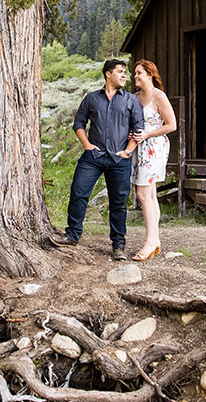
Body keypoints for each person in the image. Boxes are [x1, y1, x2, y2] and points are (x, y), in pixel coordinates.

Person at [49, 58, 144, 260]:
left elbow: (138, 129)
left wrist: (127, 151)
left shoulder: (131, 100)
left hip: (119, 160)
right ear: (108, 74)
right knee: (78, 192)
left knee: (118, 202)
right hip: (93, 157)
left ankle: (118, 246)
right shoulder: (91, 98)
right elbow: (79, 123)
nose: (124, 75)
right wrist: (86, 144)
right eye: (120, 71)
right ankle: (73, 234)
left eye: (125, 72)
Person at [131, 60, 177, 261]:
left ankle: (149, 242)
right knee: (149, 195)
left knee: (143, 194)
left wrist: (148, 134)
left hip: (153, 148)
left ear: (150, 74)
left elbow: (171, 125)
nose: (135, 77)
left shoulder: (159, 96)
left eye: (139, 73)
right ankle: (155, 240)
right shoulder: (134, 98)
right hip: (137, 149)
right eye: (134, 74)